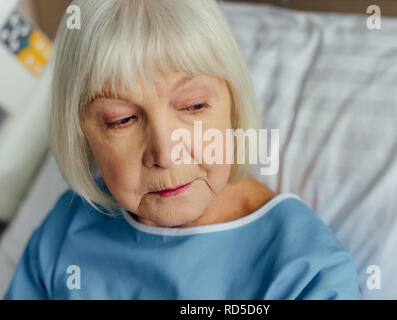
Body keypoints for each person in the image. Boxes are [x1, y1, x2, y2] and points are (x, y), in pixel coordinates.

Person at [4, 0, 362, 299]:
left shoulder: (306, 277)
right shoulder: (66, 230)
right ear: (82, 133)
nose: (167, 152)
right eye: (122, 120)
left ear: (234, 107)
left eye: (193, 107)